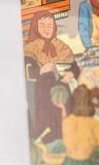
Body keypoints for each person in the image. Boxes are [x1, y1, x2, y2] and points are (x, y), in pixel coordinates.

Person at [24, 11, 76, 142]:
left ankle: (66, 135)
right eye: (42, 26)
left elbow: (74, 65)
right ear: (36, 27)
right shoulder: (30, 48)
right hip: (42, 90)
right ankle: (48, 138)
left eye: (50, 25)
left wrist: (72, 73)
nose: (47, 29)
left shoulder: (61, 46)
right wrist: (41, 70)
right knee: (48, 115)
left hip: (62, 85)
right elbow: (26, 71)